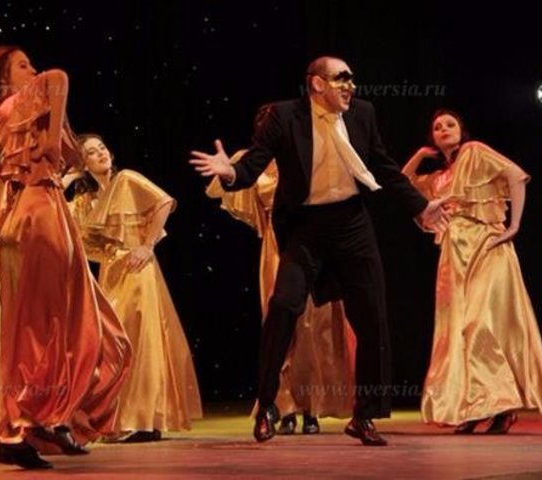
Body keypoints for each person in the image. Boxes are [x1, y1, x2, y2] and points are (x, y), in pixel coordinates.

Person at [190, 55, 448, 446]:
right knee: (283, 307)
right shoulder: (284, 116)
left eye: (352, 79)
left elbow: (382, 166)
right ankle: (268, 405)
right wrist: (231, 173)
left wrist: (420, 206)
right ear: (317, 84)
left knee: (373, 317)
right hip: (305, 227)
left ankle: (364, 416)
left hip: (352, 223)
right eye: (342, 79)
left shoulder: (362, 113)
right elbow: (254, 166)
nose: (351, 86)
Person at [0, 46, 132, 469]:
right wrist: (54, 135)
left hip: (38, 214)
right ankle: (24, 424)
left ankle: (39, 420)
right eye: (22, 66)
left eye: (31, 65)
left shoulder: (8, 118)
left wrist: (55, 138)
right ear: (3, 79)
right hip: (38, 215)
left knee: (60, 323)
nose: (34, 71)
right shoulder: (17, 106)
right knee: (45, 325)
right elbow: (58, 77)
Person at [402, 109, 542, 434]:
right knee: (457, 331)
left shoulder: (474, 151)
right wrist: (420, 155)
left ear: (462, 130)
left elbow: (516, 175)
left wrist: (515, 225)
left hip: (487, 246)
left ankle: (498, 404)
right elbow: (402, 182)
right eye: (437, 127)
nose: (444, 129)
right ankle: (477, 407)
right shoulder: (439, 179)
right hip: (455, 254)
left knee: (479, 324)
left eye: (450, 124)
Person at [206, 150, 355, 435]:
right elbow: (220, 188)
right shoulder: (256, 164)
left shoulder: (308, 153)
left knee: (311, 328)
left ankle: (311, 407)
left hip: (309, 245)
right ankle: (284, 407)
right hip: (276, 250)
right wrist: (234, 164)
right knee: (280, 327)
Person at [68, 134, 202, 442]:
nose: (100, 154)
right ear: (83, 163)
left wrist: (147, 245)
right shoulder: (86, 201)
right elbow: (57, 216)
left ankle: (144, 419)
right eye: (91, 153)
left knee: (140, 337)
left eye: (102, 148)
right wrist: (69, 177)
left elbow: (163, 202)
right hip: (111, 272)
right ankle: (122, 416)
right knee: (114, 343)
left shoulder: (126, 179)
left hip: (138, 268)